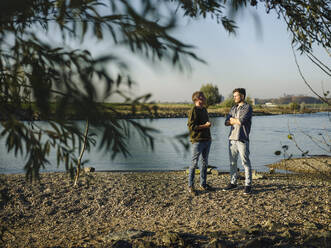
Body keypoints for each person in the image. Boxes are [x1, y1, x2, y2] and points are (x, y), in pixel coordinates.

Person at [223, 88, 253, 194]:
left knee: (245, 162)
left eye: (236, 96)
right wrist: (233, 121)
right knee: (232, 163)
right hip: (232, 138)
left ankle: (248, 185)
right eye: (234, 96)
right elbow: (226, 122)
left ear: (242, 96)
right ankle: (233, 183)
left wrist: (233, 120)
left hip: (242, 139)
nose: (234, 97)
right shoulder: (233, 108)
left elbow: (242, 121)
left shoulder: (247, 107)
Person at [187, 91, 212, 195]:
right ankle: (191, 186)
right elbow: (191, 127)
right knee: (194, 164)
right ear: (198, 99)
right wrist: (205, 126)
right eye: (203, 97)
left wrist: (209, 134)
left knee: (204, 163)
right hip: (197, 141)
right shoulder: (193, 110)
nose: (205, 98)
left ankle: (203, 184)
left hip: (207, 140)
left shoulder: (204, 109)